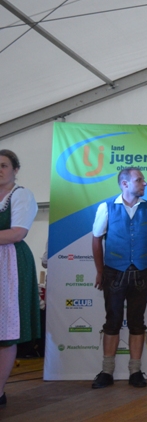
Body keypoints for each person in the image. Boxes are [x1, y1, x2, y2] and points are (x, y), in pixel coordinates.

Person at [91, 167, 147, 389]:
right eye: (139, 180)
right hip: (113, 272)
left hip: (141, 273)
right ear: (125, 184)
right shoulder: (106, 207)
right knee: (112, 321)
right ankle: (106, 371)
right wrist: (100, 271)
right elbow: (96, 239)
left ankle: (135, 371)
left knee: (137, 322)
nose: (144, 183)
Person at [0, 150, 39, 409]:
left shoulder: (21, 195)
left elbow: (17, 233)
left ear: (15, 169)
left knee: (5, 331)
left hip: (10, 263)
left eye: (4, 165)